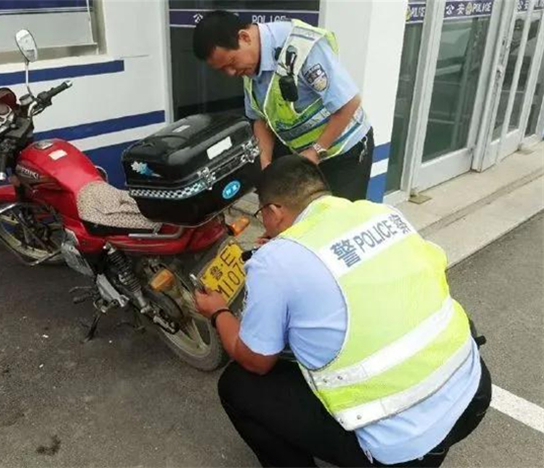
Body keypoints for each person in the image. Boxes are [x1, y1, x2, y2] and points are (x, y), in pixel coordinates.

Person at [194, 155, 492, 467]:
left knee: (237, 386)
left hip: (402, 451)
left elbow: (256, 360)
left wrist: (218, 312)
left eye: (262, 214)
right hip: (473, 397)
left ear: (274, 211)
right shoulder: (382, 213)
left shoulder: (276, 261)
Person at [193, 11, 374, 201]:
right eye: (222, 69)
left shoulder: (300, 47)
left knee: (339, 224)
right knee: (305, 218)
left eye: (231, 63)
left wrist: (316, 151)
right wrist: (265, 164)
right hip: (305, 157)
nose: (230, 73)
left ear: (244, 37)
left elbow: (348, 103)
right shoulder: (249, 67)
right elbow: (260, 119)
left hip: (345, 152)